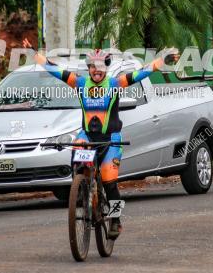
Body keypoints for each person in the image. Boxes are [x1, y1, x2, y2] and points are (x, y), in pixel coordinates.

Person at [27, 42, 178, 238]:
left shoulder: (115, 84)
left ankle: (116, 220)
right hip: (87, 136)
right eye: (92, 67)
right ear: (88, 68)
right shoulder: (80, 83)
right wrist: (33, 54)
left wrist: (162, 60)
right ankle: (82, 189)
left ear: (105, 68)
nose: (96, 71)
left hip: (111, 139)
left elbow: (142, 72)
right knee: (78, 156)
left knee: (109, 181)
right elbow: (54, 69)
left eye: (100, 67)